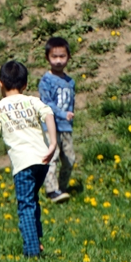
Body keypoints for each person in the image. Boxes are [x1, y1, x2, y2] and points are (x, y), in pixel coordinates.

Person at [0, 60, 57, 258]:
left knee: (25, 206)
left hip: (23, 165)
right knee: (32, 201)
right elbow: (49, 114)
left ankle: (32, 252)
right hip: (42, 161)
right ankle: (37, 242)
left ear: (0, 84)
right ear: (25, 85)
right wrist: (53, 143)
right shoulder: (33, 101)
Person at [39, 36, 76, 203]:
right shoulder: (46, 81)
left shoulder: (70, 82)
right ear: (47, 58)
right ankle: (51, 190)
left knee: (69, 159)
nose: (59, 60)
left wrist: (69, 119)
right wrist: (62, 114)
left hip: (65, 127)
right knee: (52, 158)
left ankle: (62, 187)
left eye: (62, 56)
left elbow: (71, 103)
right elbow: (46, 103)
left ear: (68, 57)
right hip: (51, 126)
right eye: (54, 57)